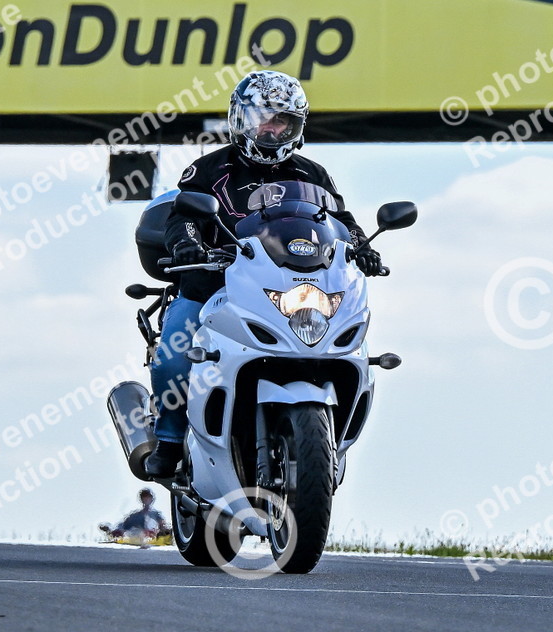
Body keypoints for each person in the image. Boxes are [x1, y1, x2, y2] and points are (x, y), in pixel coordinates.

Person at [143, 70, 385, 479]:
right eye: (264, 120)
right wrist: (187, 243)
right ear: (241, 119)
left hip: (288, 286)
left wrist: (363, 247)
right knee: (174, 355)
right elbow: (183, 217)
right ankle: (168, 440)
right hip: (214, 286)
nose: (273, 130)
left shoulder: (313, 175)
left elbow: (340, 222)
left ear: (297, 127)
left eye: (283, 122)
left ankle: (326, 444)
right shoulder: (209, 169)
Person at [101, 488, 169, 544]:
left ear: (151, 499)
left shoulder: (156, 515)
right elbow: (123, 526)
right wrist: (116, 531)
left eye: (148, 497)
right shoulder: (135, 516)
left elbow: (162, 525)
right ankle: (110, 531)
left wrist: (163, 530)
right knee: (123, 530)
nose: (146, 499)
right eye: (144, 497)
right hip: (135, 536)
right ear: (141, 499)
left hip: (152, 537)